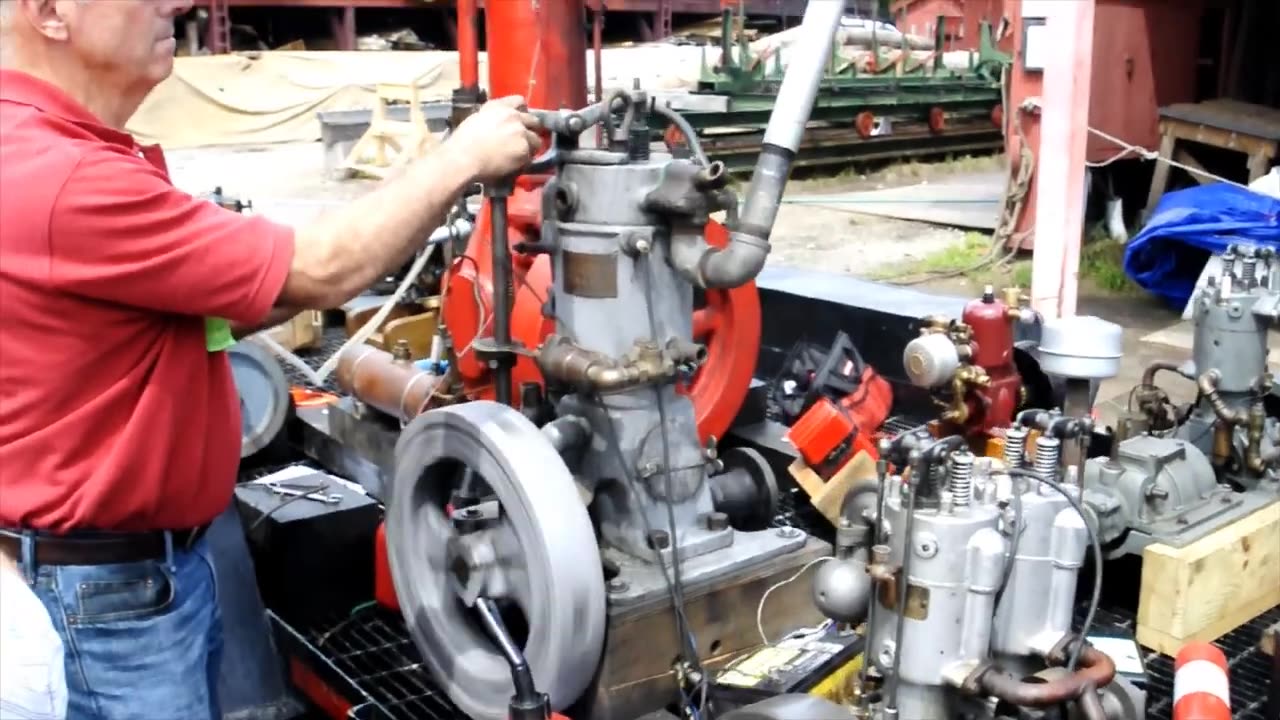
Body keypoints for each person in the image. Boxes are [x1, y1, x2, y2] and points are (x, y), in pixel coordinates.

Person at [0, 1, 541, 718]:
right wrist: (462, 159)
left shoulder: (51, 148)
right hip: (110, 603)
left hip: (129, 575)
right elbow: (316, 270)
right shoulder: (62, 176)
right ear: (50, 12)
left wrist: (402, 203)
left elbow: (238, 297)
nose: (179, 4)